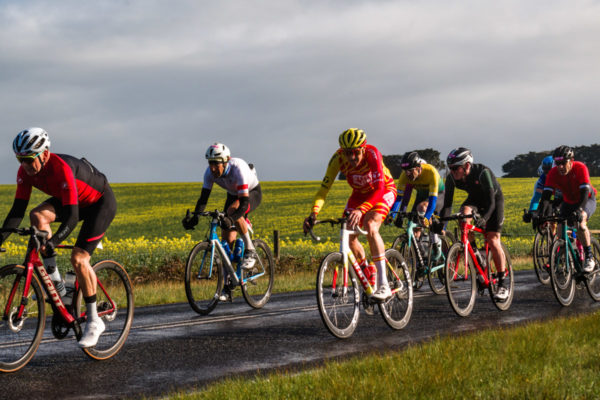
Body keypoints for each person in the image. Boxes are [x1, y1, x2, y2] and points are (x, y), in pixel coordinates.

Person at [0, 127, 117, 347]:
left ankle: (94, 321)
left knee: (79, 259)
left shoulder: (61, 168)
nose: (24, 165)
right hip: (74, 202)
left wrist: (53, 242)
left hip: (99, 203)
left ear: (44, 153)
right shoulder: (25, 172)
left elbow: (72, 218)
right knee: (37, 215)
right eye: (19, 159)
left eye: (28, 159)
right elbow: (17, 212)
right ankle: (58, 287)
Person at [303, 128, 397, 300]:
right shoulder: (337, 159)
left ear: (363, 149)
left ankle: (384, 284)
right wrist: (313, 214)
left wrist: (362, 210)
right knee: (347, 235)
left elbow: (379, 189)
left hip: (383, 191)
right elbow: (323, 191)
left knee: (370, 225)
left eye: (355, 153)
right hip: (359, 195)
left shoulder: (373, 154)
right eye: (347, 153)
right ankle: (368, 269)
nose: (352, 158)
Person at [182, 143, 261, 301]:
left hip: (251, 192)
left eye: (215, 164)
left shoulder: (237, 169)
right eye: (210, 163)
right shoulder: (209, 173)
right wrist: (195, 218)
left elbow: (244, 203)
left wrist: (230, 218)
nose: (212, 168)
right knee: (227, 240)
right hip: (233, 195)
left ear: (225, 162)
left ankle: (250, 249)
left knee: (232, 212)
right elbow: (203, 199)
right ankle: (228, 286)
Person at [440, 147, 509, 301]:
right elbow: (447, 204)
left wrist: (484, 219)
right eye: (450, 168)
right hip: (475, 201)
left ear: (467, 166)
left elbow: (491, 202)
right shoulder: (451, 178)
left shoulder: (483, 173)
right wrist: (441, 224)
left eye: (455, 168)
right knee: (462, 213)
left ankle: (503, 284)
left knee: (492, 239)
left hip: (494, 202)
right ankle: (476, 253)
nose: (452, 171)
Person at [538, 145, 597, 272]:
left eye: (563, 163)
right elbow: (546, 197)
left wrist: (580, 210)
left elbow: (585, 193)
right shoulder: (553, 173)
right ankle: (568, 261)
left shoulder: (580, 168)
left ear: (571, 161)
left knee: (580, 224)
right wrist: (539, 214)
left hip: (586, 200)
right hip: (568, 202)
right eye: (557, 163)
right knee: (560, 232)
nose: (560, 167)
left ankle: (589, 257)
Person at [389, 151, 445, 263]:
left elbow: (432, 201)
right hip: (421, 196)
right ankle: (420, 256)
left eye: (410, 171)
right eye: (405, 171)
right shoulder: (404, 176)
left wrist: (427, 217)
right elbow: (401, 199)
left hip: (437, 195)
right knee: (413, 227)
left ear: (419, 168)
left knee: (422, 208)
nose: (407, 174)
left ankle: (436, 242)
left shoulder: (431, 172)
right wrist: (393, 215)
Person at [523, 155, 562, 223]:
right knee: (545, 217)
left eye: (549, 171)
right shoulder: (542, 179)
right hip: (551, 198)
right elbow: (536, 198)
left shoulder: (562, 175)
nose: (547, 175)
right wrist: (532, 211)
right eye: (545, 172)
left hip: (563, 198)